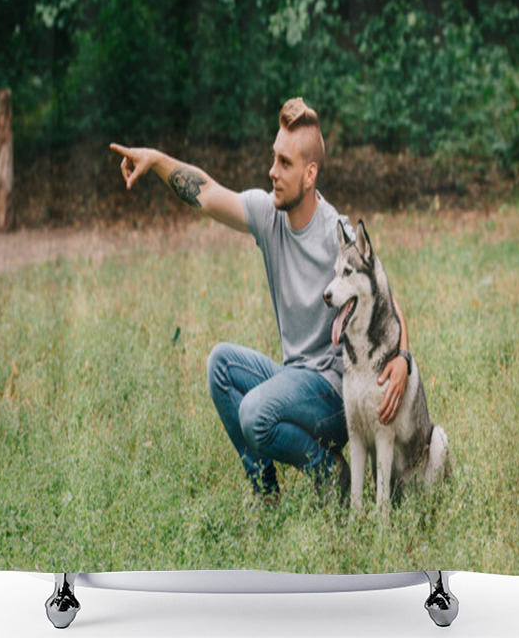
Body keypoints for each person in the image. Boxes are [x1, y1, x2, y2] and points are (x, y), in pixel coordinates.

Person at [110, 98, 410, 500]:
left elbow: (386, 299)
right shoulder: (268, 215)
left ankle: (329, 474)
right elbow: (206, 192)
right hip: (294, 378)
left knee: (255, 413)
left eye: (284, 163)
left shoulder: (334, 232)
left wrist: (402, 360)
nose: (272, 172)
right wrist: (155, 159)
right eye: (273, 158)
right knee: (221, 365)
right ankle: (266, 493)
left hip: (334, 395)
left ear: (309, 174)